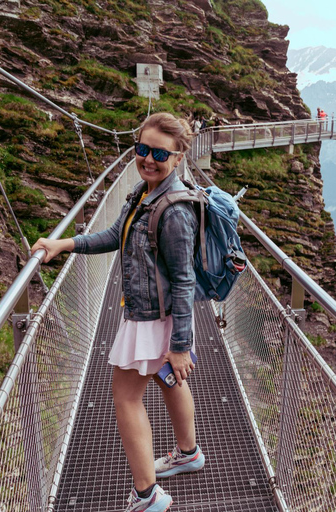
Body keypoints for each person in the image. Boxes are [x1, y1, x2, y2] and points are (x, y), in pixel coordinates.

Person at [32, 112, 204, 512]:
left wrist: (180, 345)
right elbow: (116, 235)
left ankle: (147, 496)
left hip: (153, 320)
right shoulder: (145, 192)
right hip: (155, 317)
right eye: (141, 149)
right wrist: (67, 244)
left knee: (126, 399)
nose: (148, 159)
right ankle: (188, 453)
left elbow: (184, 282)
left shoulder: (175, 211)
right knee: (169, 382)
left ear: (178, 157)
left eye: (159, 153)